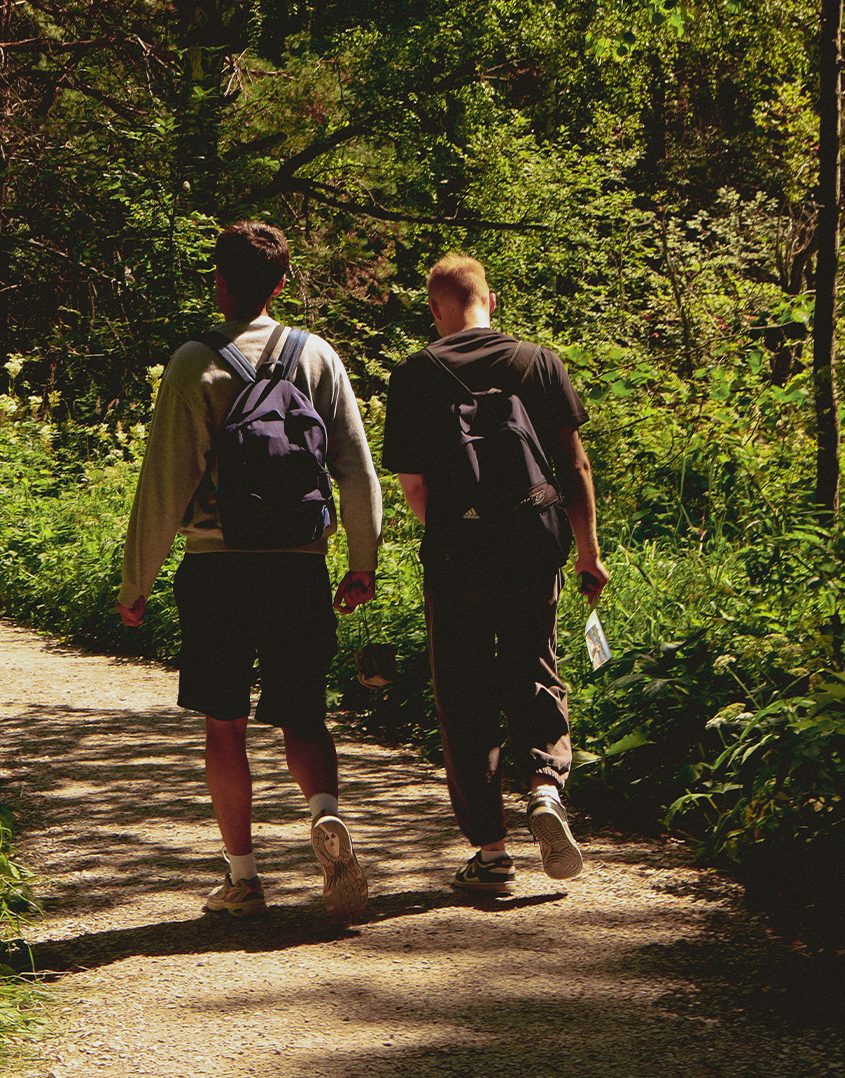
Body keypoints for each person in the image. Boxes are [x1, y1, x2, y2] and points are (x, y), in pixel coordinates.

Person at [117, 222, 382, 919]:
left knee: (225, 722)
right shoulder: (318, 355)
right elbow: (355, 468)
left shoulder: (193, 363)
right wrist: (362, 562)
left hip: (217, 567)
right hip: (300, 566)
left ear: (220, 281)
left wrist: (136, 580)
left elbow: (164, 481)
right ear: (282, 283)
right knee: (303, 714)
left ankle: (242, 877)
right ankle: (325, 813)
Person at [381, 252, 605, 895]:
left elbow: (416, 485)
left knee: (464, 690)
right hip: (534, 538)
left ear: (435, 308)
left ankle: (492, 851)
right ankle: (543, 787)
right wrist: (588, 552)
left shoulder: (416, 374)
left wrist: (452, 538)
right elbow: (575, 469)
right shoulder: (539, 361)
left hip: (459, 547)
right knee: (536, 664)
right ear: (491, 300)